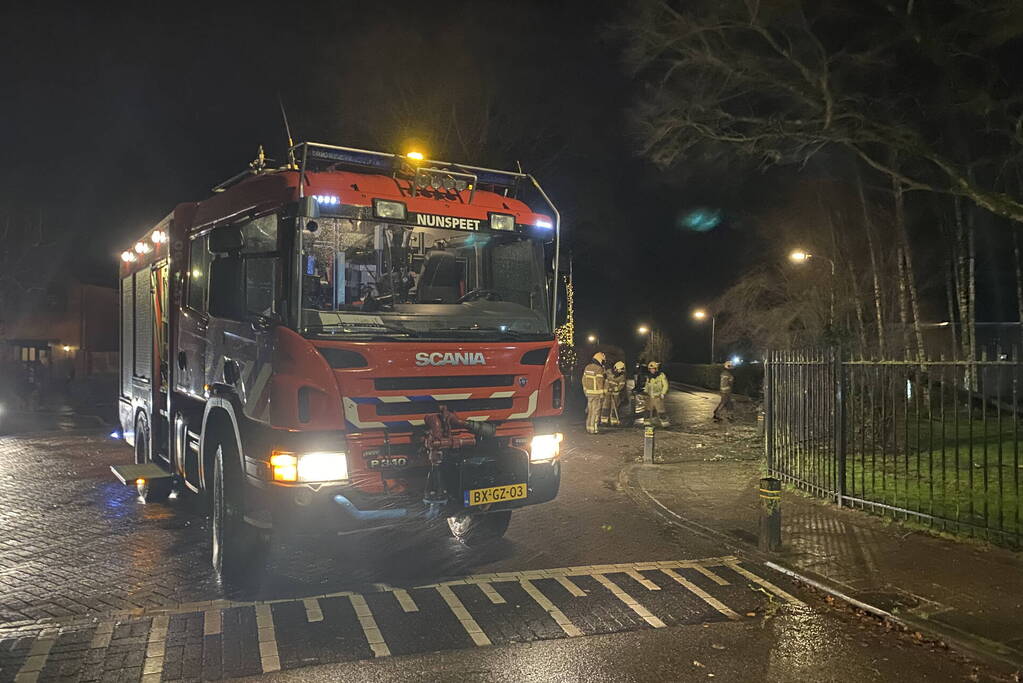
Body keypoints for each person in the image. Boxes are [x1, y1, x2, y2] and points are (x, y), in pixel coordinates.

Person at [581, 352, 608, 434]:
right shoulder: (598, 369)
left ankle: (588, 427)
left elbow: (583, 380)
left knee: (590, 411)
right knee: (595, 411)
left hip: (589, 393)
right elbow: (599, 382)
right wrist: (602, 393)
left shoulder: (587, 367)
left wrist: (585, 390)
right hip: (596, 394)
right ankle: (594, 429)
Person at [644, 361, 669, 427]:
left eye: (653, 369)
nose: (652, 370)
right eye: (650, 369)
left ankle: (665, 423)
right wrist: (645, 392)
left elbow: (665, 385)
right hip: (650, 396)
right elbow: (647, 385)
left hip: (658, 396)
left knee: (660, 410)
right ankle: (648, 422)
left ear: (656, 369)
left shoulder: (661, 376)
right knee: (648, 409)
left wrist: (663, 393)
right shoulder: (649, 377)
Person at [602, 360, 628, 426]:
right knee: (606, 406)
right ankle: (604, 421)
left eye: (621, 371)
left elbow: (621, 386)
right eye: (619, 370)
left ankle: (613, 421)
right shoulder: (608, 372)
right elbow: (605, 379)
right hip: (607, 392)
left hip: (615, 394)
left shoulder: (622, 377)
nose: (620, 372)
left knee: (614, 407)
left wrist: (613, 389)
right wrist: (607, 388)